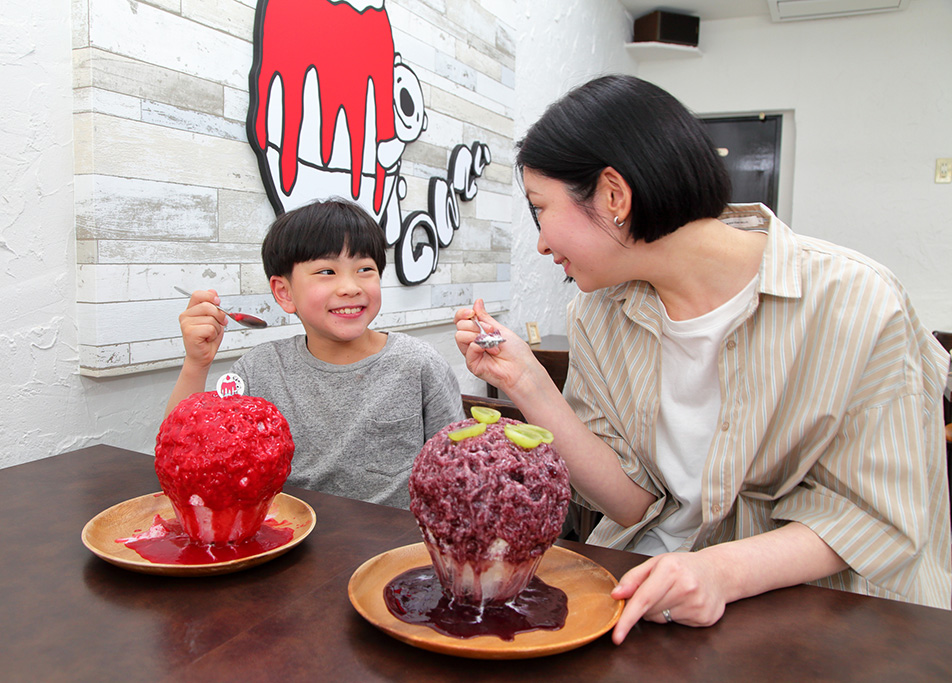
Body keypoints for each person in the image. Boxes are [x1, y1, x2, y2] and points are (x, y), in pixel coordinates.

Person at [454, 75, 951, 643]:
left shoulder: (857, 299)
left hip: (828, 615)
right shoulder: (600, 312)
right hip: (652, 595)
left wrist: (719, 570)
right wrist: (527, 381)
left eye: (540, 209)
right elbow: (633, 499)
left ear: (613, 195)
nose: (541, 243)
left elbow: (877, 515)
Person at [167, 198, 463, 508]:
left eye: (365, 269)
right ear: (285, 292)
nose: (350, 287)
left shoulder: (419, 365)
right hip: (287, 540)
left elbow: (458, 475)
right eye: (326, 271)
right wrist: (196, 364)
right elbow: (185, 459)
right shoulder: (259, 370)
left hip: (394, 545)